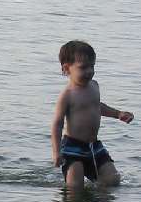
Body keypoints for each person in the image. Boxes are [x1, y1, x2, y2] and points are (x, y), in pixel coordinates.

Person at [51, 40, 133, 187]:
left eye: (92, 66)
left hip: (94, 146)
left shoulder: (94, 86)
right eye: (83, 67)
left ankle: (99, 197)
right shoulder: (67, 95)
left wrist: (118, 114)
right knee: (75, 187)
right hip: (72, 147)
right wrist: (57, 152)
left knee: (113, 180)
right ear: (66, 68)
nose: (89, 71)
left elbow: (97, 106)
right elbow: (57, 124)